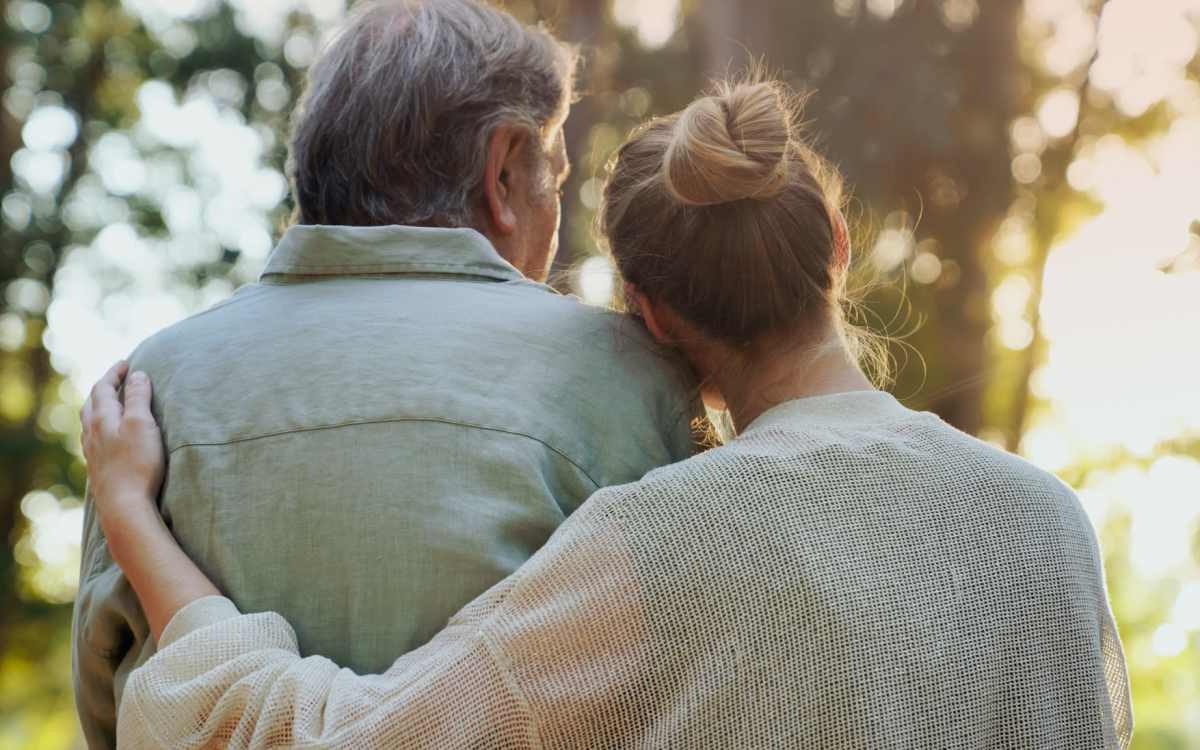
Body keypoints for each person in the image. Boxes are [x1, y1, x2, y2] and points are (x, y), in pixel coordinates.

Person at [81, 79, 1133, 748]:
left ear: (650, 317)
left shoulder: (652, 543)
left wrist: (132, 511)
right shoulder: (1044, 522)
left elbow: (330, 740)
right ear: (839, 243)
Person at [70, 2, 699, 747]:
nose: (553, 208)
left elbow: (110, 705)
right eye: (553, 179)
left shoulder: (148, 392)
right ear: (502, 173)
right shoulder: (635, 379)